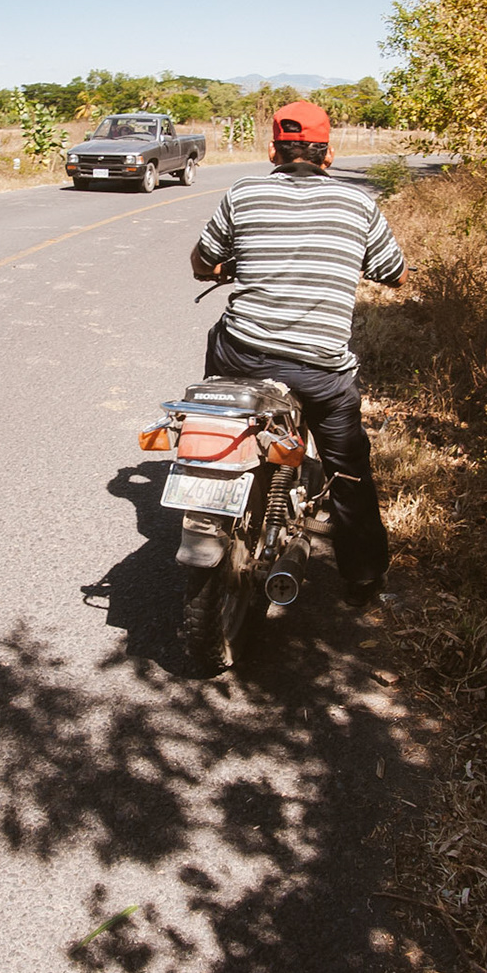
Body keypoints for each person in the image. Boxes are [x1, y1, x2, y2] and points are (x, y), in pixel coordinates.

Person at [189, 100, 407, 606]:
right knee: (349, 469)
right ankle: (363, 578)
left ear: (273, 150)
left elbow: (203, 262)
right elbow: (394, 272)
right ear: (328, 153)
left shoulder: (244, 193)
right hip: (320, 371)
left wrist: (223, 270)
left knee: (220, 335)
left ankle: (223, 416)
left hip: (244, 356)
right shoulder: (358, 204)